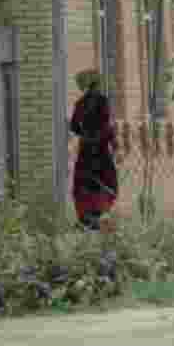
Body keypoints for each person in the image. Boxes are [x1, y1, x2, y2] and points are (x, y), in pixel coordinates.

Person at [69, 70, 119, 231]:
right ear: (96, 85)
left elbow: (74, 127)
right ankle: (99, 217)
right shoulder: (103, 101)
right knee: (106, 181)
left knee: (85, 182)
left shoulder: (80, 103)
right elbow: (106, 123)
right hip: (101, 148)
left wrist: (85, 134)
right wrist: (113, 142)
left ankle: (87, 218)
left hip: (86, 149)